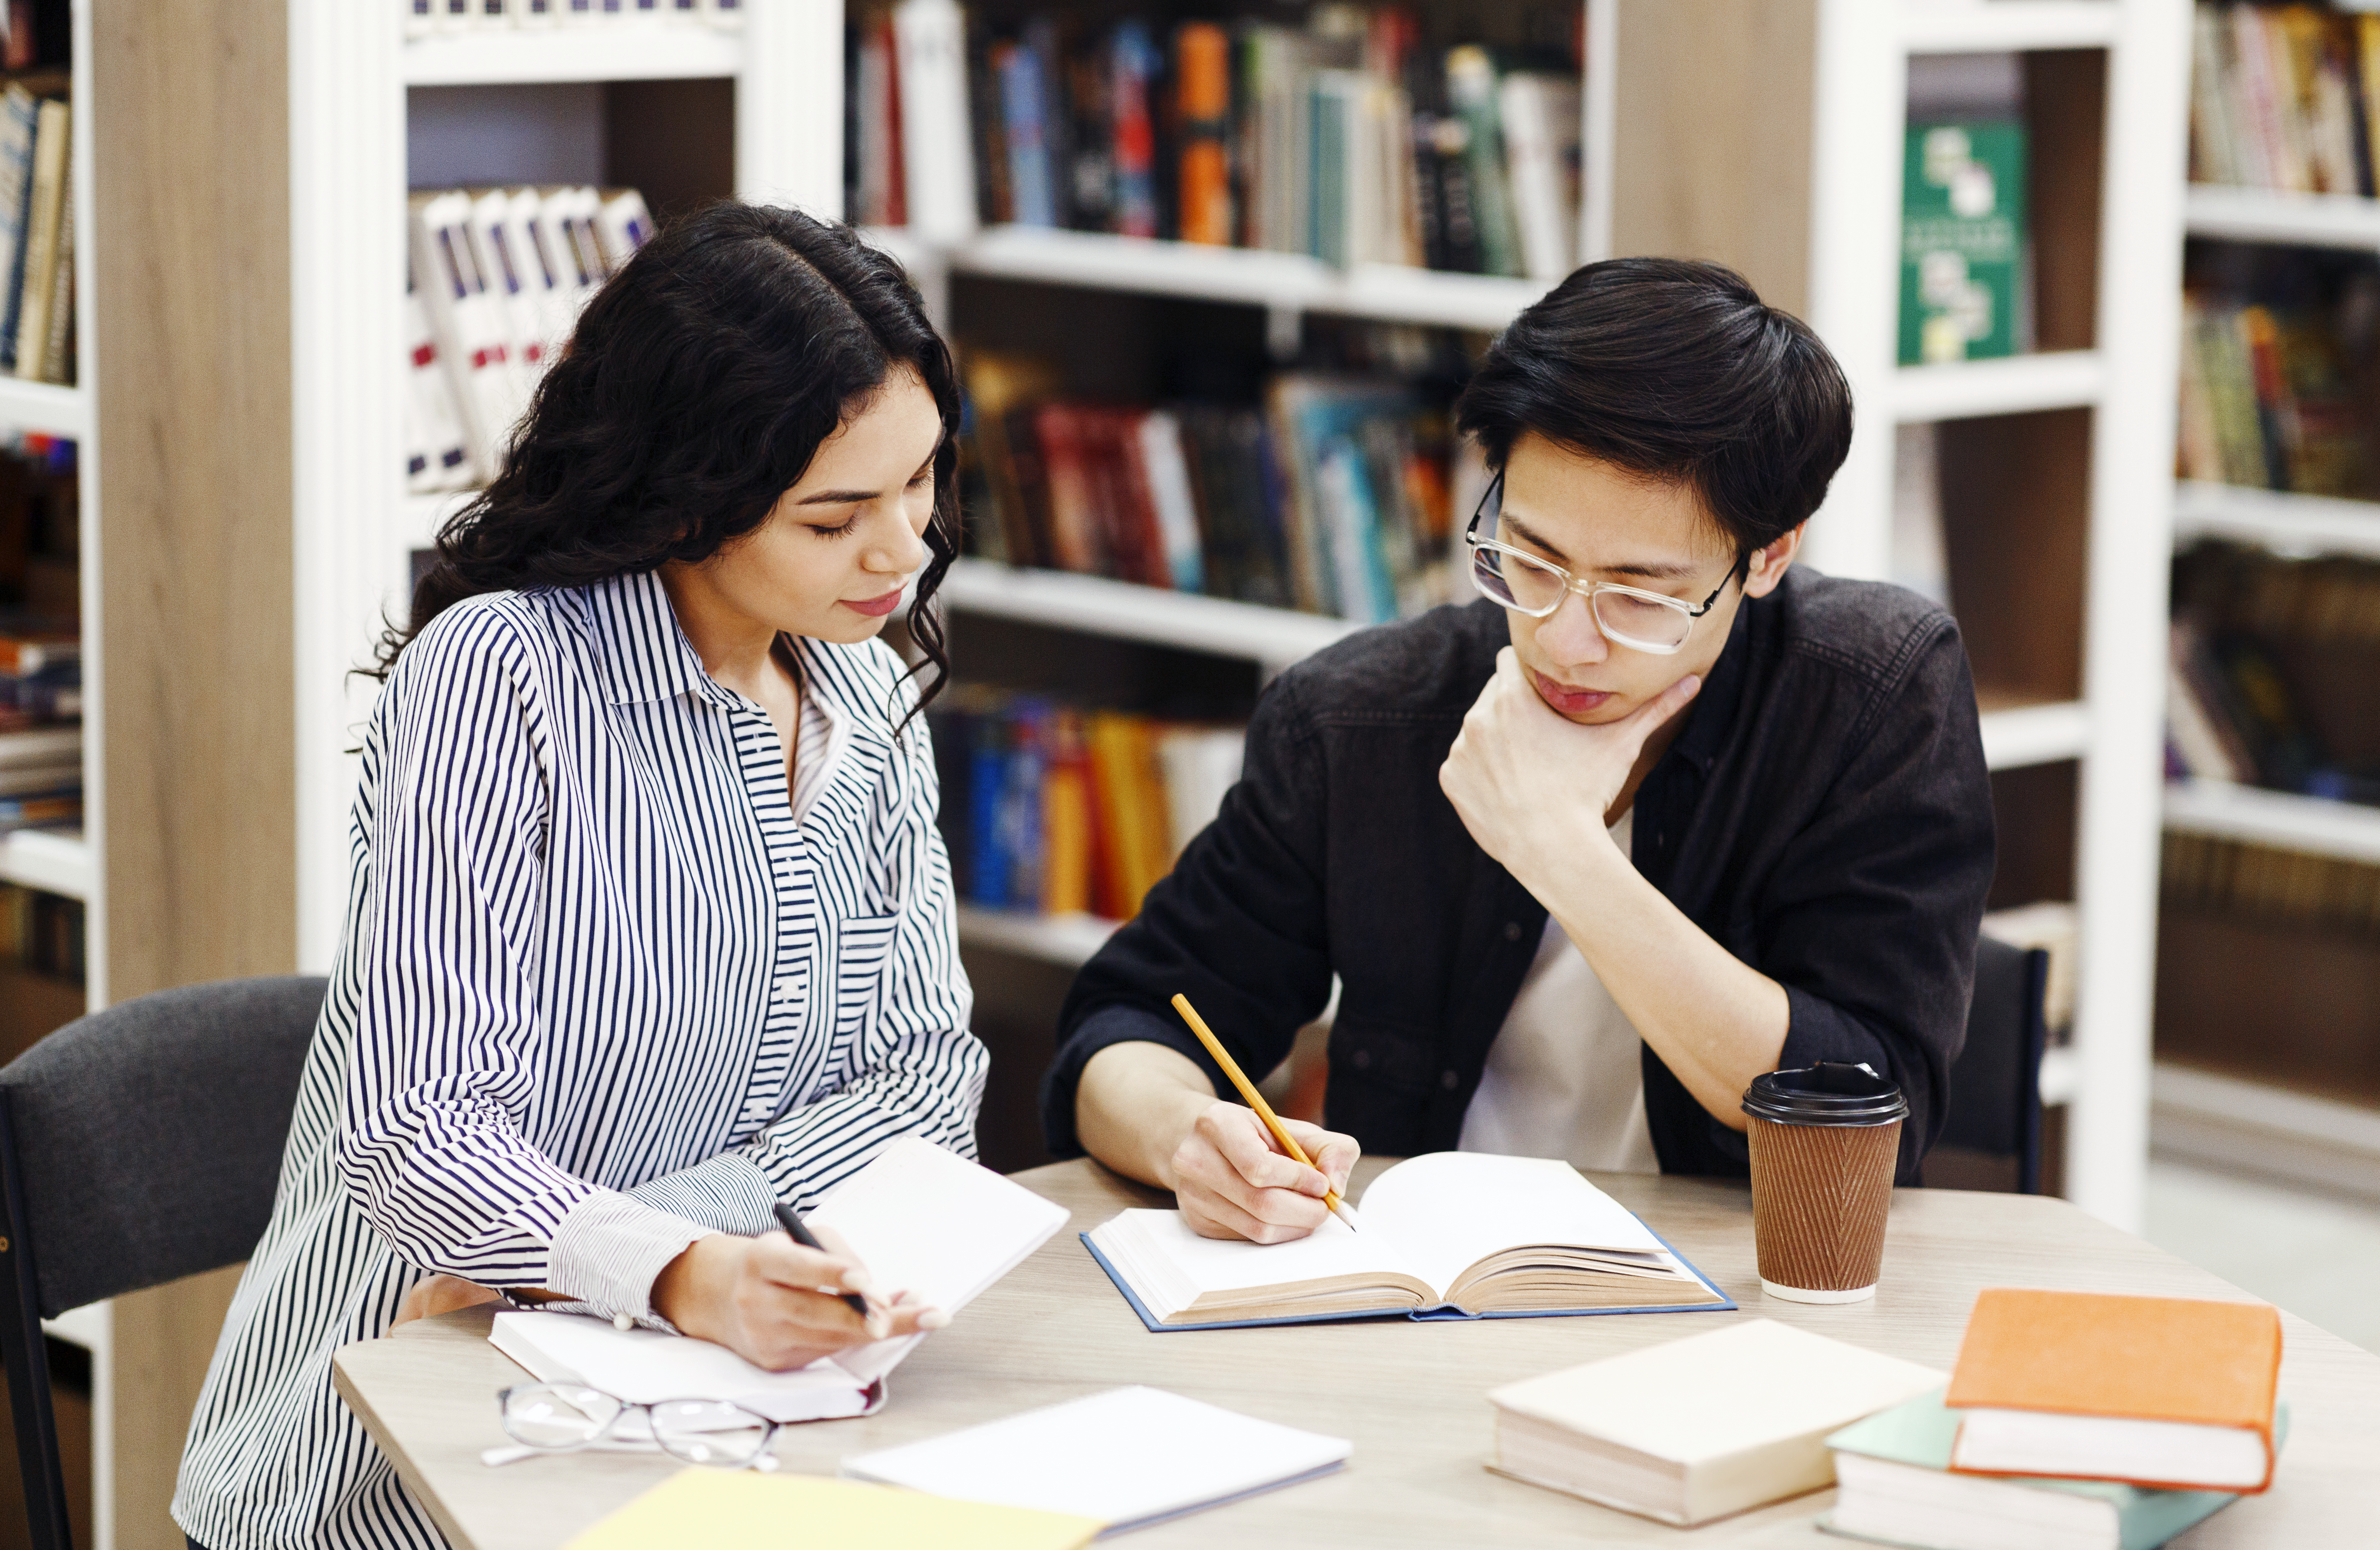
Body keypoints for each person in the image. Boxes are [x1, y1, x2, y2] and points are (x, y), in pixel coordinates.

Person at [175, 205, 987, 1550]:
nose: (902, 549)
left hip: (714, 1424)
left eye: (922, 484)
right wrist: (688, 1269)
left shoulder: (863, 696)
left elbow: (924, 1089)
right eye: (837, 514)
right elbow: (416, 1124)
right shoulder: (502, 679)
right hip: (395, 1460)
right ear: (690, 495)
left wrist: (671, 1257)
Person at [1046, 258, 1994, 1245]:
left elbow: (1864, 1108)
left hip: (1746, 1296)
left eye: (1641, 593)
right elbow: (1126, 1026)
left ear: (1767, 555)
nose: (1564, 636)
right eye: (1531, 559)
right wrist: (1186, 1136)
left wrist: (1559, 851)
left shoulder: (1871, 695)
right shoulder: (1360, 716)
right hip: (1424, 1292)